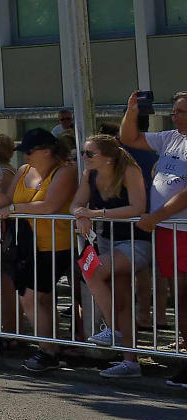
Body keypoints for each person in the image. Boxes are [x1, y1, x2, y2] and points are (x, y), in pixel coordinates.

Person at [0, 129, 78, 372]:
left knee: (30, 298)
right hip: (26, 244)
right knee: (42, 298)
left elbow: (50, 205)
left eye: (29, 151)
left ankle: (47, 350)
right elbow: (5, 203)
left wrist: (14, 209)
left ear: (47, 151)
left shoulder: (66, 171)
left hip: (55, 244)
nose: (24, 156)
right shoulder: (23, 171)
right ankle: (51, 347)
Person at [118, 89, 187, 385]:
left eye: (181, 111)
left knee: (185, 296)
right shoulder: (170, 137)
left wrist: (156, 216)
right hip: (167, 231)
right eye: (174, 111)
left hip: (180, 229)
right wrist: (132, 110)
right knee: (180, 297)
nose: (175, 115)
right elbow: (129, 139)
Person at [71, 134, 153, 378]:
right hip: (107, 241)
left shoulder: (129, 170)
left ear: (107, 157)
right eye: (83, 153)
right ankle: (130, 361)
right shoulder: (89, 174)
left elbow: (137, 208)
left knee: (92, 269)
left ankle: (113, 329)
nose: (84, 158)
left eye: (89, 153)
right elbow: (76, 204)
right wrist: (81, 214)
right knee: (123, 299)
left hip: (135, 241)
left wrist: (94, 213)